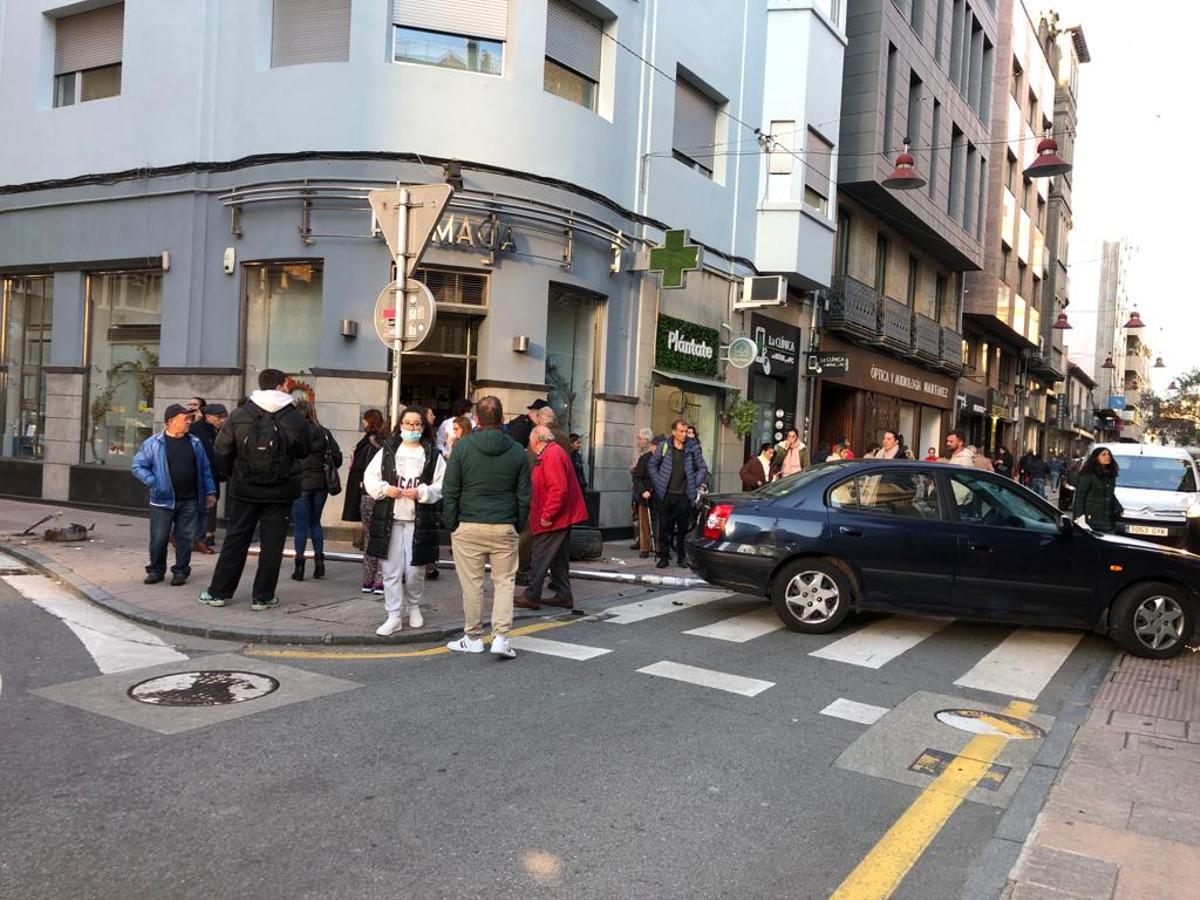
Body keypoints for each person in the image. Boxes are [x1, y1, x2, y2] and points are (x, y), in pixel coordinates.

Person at [200, 368, 311, 610]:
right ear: (281, 385)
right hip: (281, 491)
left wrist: (234, 473)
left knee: (235, 540)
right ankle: (262, 597)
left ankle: (218, 592)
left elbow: (221, 450)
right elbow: (304, 450)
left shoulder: (240, 414)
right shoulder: (294, 417)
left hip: (244, 488)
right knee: (272, 545)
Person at [442, 396, 531, 659]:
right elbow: (524, 494)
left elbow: (451, 490)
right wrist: (518, 524)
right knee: (505, 582)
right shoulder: (517, 451)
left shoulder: (462, 447)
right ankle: (502, 637)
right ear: (503, 419)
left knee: (472, 584)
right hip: (504, 525)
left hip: (468, 524)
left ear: (476, 419)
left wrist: (452, 524)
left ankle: (473, 637)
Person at [364, 406, 445, 636]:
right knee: (390, 570)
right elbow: (370, 477)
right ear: (400, 426)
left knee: (414, 570)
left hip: (417, 520)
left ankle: (414, 605)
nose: (412, 428)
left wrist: (422, 492)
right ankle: (393, 615)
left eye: (417, 424)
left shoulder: (432, 454)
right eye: (408, 423)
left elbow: (442, 485)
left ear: (423, 426)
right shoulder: (388, 450)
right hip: (390, 517)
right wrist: (384, 489)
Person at [132, 404, 217, 586]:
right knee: (159, 537)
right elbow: (138, 466)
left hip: (190, 500)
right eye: (185, 419)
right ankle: (156, 570)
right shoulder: (154, 443)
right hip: (162, 501)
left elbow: (205, 469)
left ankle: (181, 571)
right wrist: (155, 482)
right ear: (171, 421)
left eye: (190, 419)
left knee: (185, 538)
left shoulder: (194, 442)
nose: (189, 422)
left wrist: (210, 491)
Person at [516, 425, 589, 611]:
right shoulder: (552, 453)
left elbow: (558, 489)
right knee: (558, 558)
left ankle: (532, 595)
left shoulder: (551, 454)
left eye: (530, 442)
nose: (530, 446)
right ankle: (563, 595)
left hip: (553, 517)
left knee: (540, 554)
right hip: (558, 515)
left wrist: (547, 515)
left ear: (536, 441)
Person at [290, 400, 342, 581]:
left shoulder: (293, 432)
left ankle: (299, 566)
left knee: (300, 524)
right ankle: (319, 563)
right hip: (321, 483)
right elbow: (338, 457)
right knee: (315, 522)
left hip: (300, 483)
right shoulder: (324, 432)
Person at [648, 419, 709, 569]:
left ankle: (681, 557)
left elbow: (703, 468)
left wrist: (694, 483)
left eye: (685, 431)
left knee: (682, 529)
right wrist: (658, 481)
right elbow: (652, 465)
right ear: (674, 432)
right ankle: (663, 557)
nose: (684, 434)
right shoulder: (664, 447)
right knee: (664, 528)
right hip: (666, 494)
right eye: (681, 431)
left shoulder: (692, 448)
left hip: (684, 495)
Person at [342, 409, 387, 593]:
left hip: (368, 493)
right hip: (377, 493)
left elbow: (362, 467)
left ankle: (369, 579)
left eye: (364, 419)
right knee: (382, 537)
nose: (362, 422)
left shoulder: (369, 442)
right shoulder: (381, 443)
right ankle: (379, 580)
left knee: (370, 537)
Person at [189, 403, 227, 552]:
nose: (222, 420)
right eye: (219, 417)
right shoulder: (197, 430)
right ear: (208, 416)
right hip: (201, 474)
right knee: (199, 508)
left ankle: (201, 537)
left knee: (208, 506)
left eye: (224, 417)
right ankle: (196, 538)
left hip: (212, 474)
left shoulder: (215, 430)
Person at [1073, 446, 1123, 532]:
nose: (1107, 457)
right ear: (1096, 458)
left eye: (1109, 454)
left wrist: (1118, 507)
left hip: (1108, 520)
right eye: (1103, 455)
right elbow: (1080, 497)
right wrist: (1079, 516)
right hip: (1091, 519)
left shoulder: (1110, 476)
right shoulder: (1088, 475)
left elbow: (1110, 494)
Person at [630, 429, 656, 559]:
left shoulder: (662, 458)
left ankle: (659, 547)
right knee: (644, 522)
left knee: (657, 522)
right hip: (644, 493)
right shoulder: (644, 457)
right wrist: (643, 491)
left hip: (657, 494)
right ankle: (645, 547)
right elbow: (637, 476)